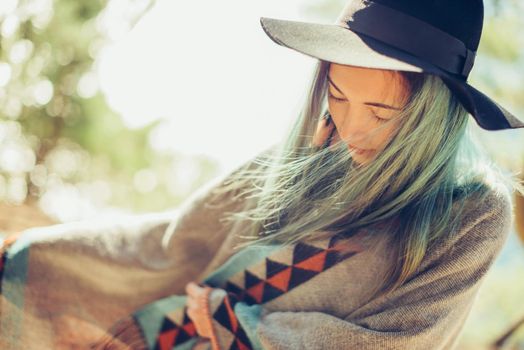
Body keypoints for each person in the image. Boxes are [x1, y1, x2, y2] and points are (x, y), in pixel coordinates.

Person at [1, 0, 524, 349]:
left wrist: (240, 325)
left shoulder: (474, 211)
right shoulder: (308, 156)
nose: (353, 126)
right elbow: (170, 243)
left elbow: (401, 342)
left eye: (384, 114)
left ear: (433, 117)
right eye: (338, 97)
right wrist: (29, 256)